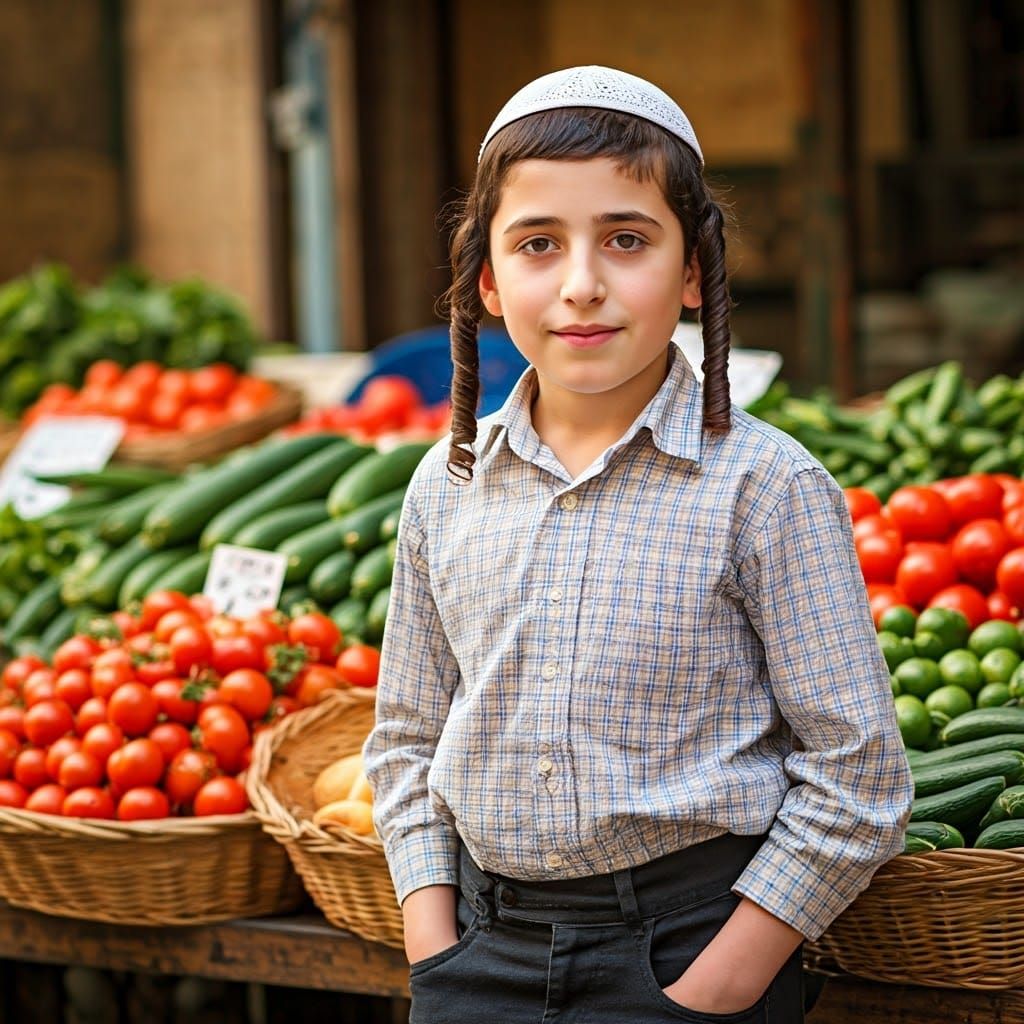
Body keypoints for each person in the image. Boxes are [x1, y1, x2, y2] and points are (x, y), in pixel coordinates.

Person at [363, 65, 913, 1023]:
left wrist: (720, 985)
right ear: (486, 281)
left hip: (687, 951)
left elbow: (858, 774)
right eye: (538, 245)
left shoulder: (766, 488)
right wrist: (436, 946)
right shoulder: (440, 491)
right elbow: (407, 739)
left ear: (694, 267)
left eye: (627, 239)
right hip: (480, 954)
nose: (582, 285)